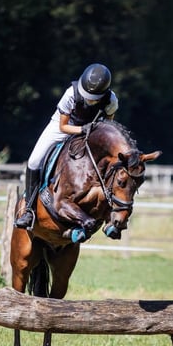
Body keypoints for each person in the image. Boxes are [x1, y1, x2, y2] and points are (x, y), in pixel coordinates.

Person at [14, 63, 119, 230]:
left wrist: (94, 134)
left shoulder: (111, 100)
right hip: (63, 127)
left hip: (90, 132)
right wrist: (82, 129)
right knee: (34, 161)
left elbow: (107, 126)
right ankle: (28, 209)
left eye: (94, 97)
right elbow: (63, 127)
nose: (90, 99)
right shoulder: (71, 93)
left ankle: (111, 211)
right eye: (88, 95)